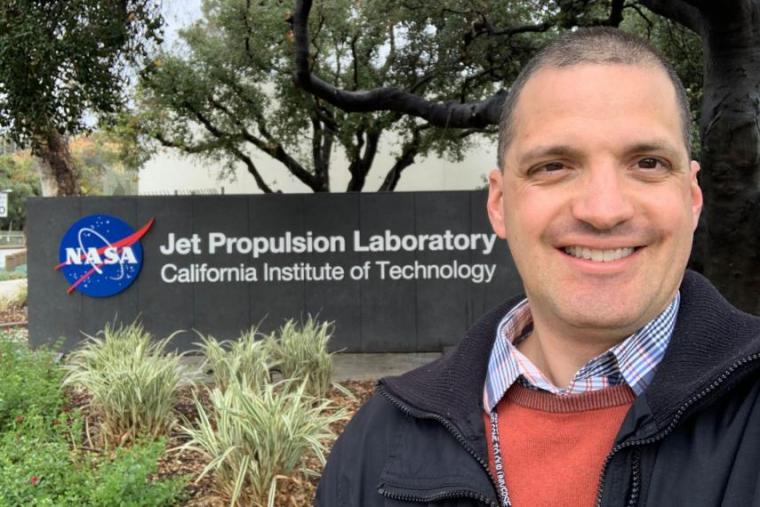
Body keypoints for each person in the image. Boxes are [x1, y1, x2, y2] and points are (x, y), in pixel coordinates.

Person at [315, 27, 760, 507]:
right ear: (500, 203)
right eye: (554, 166)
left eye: (647, 162)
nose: (603, 210)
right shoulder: (379, 442)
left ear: (692, 199)